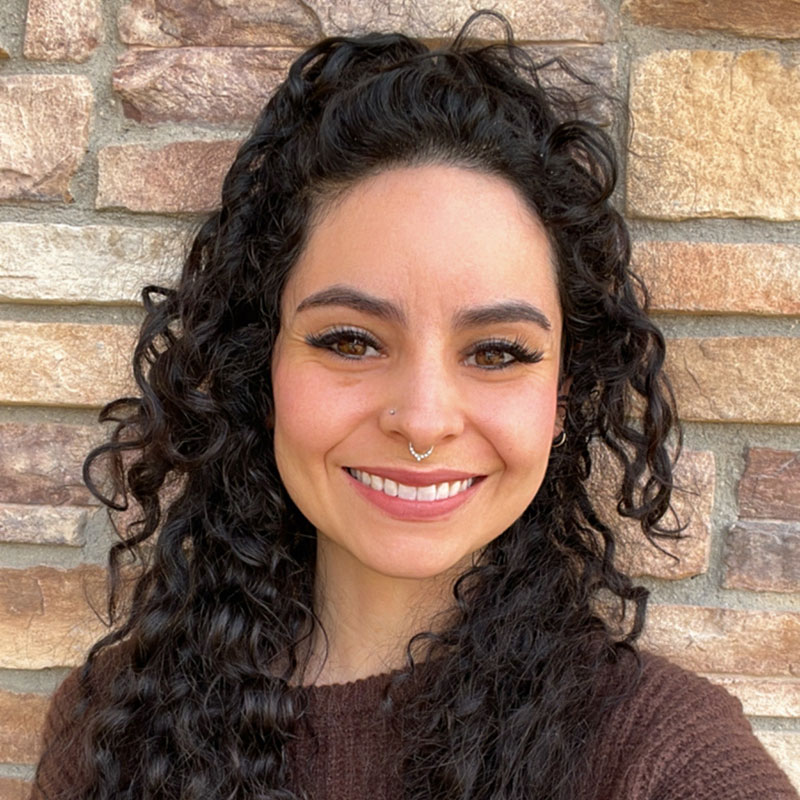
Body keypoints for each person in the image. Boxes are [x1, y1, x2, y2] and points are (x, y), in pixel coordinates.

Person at [32, 11, 797, 800]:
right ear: (259, 367)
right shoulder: (111, 726)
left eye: (497, 353)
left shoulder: (664, 758)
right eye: (350, 341)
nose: (425, 420)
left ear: (563, 397)